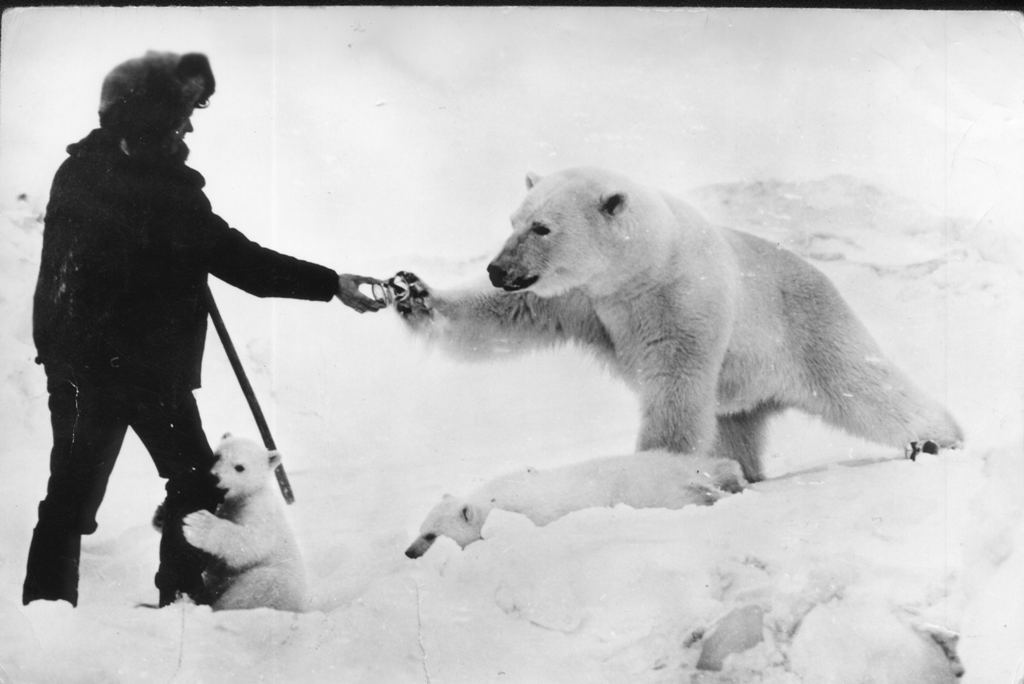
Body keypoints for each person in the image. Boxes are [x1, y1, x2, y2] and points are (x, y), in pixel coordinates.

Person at [23, 51, 385, 608]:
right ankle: (52, 624)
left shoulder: (125, 177)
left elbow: (227, 257)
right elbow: (233, 260)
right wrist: (331, 283)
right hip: (100, 374)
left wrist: (328, 281)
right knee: (80, 498)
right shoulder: (133, 183)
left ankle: (177, 604)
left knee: (188, 484)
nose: (190, 125)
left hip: (137, 374)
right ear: (147, 114)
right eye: (182, 113)